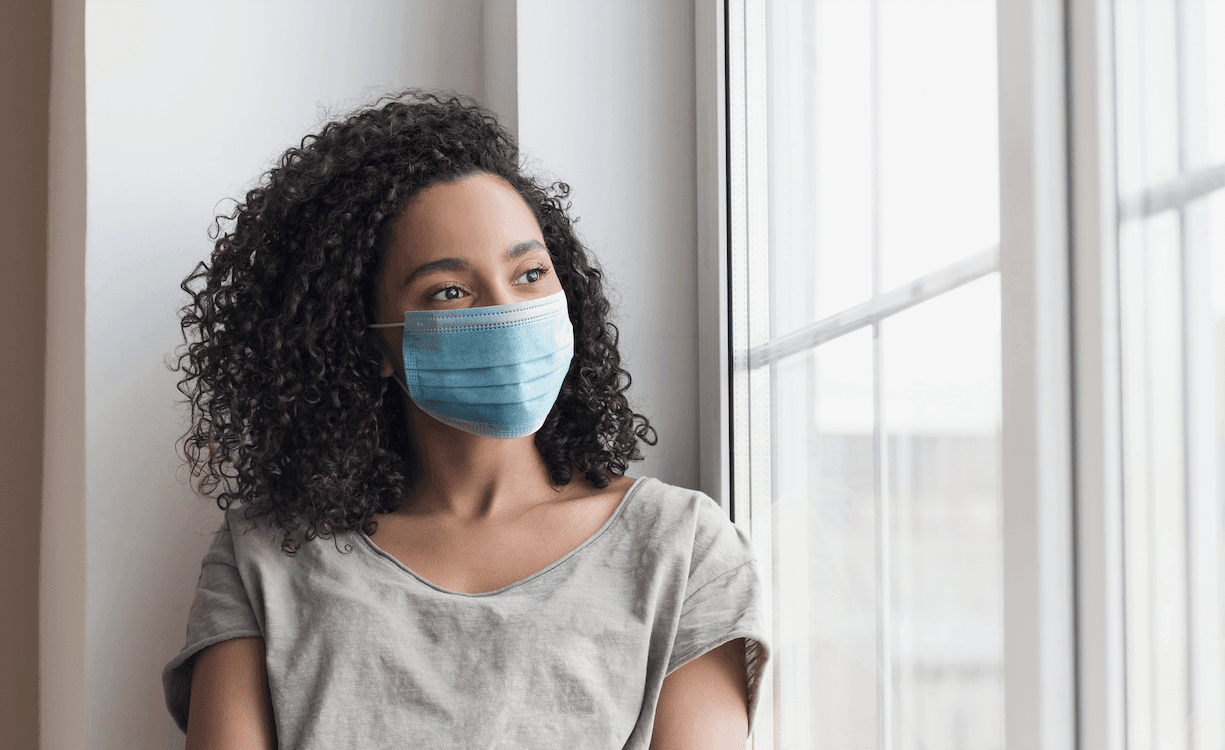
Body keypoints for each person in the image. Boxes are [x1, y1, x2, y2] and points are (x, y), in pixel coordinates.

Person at [162, 89, 769, 749]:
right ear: (366, 342)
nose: (506, 310)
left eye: (530, 273)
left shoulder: (681, 549)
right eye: (448, 291)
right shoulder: (264, 555)